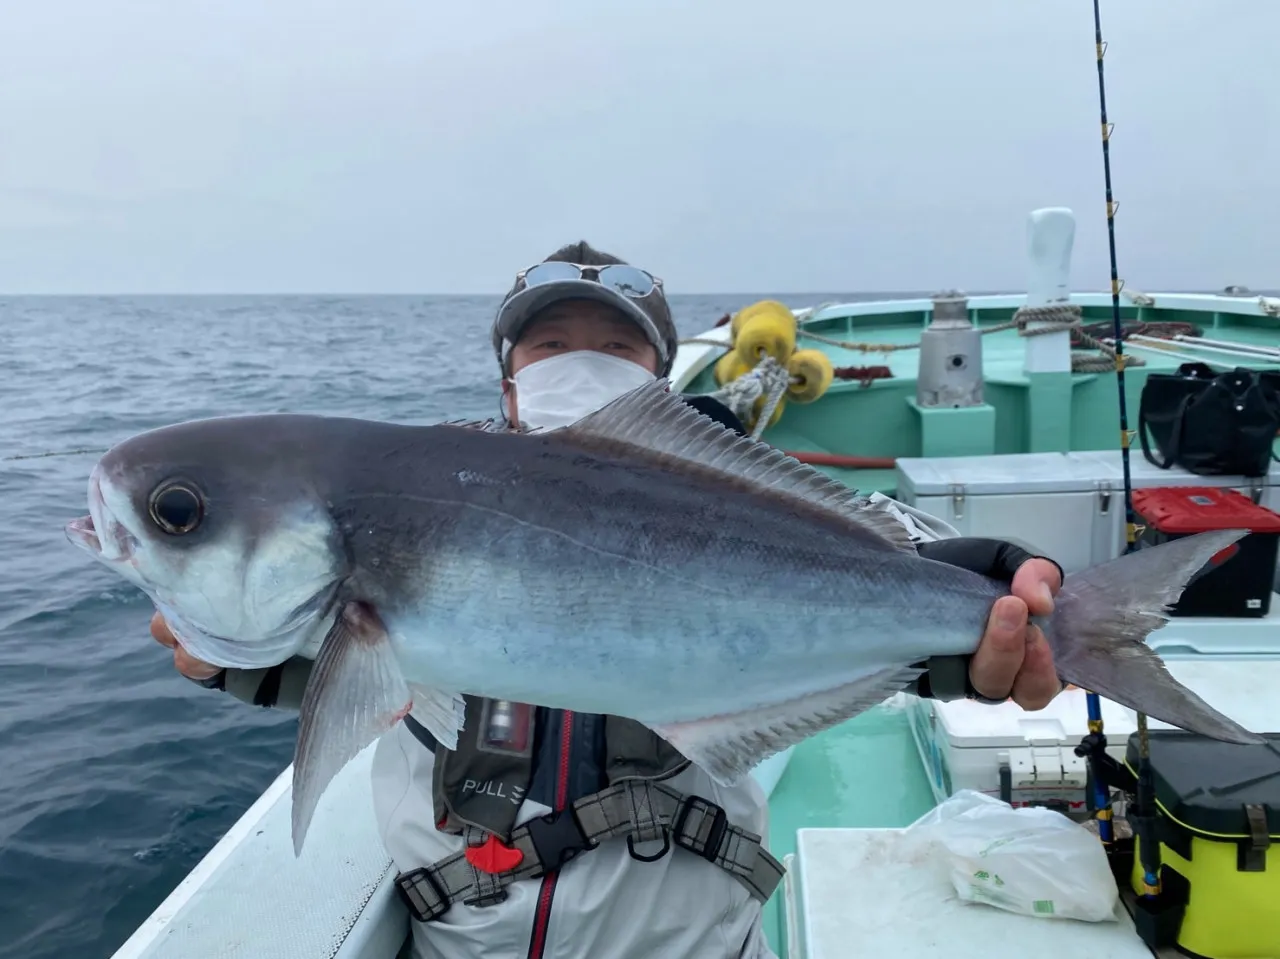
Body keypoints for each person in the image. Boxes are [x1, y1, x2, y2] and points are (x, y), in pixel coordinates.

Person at [151, 241, 1067, 959]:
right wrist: (242, 667)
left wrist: (984, 588)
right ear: (509, 380)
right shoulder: (420, 504)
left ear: (659, 379)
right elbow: (364, 673)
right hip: (467, 939)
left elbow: (850, 564)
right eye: (550, 344)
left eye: (617, 343)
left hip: (695, 938)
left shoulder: (730, 499)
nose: (580, 362)